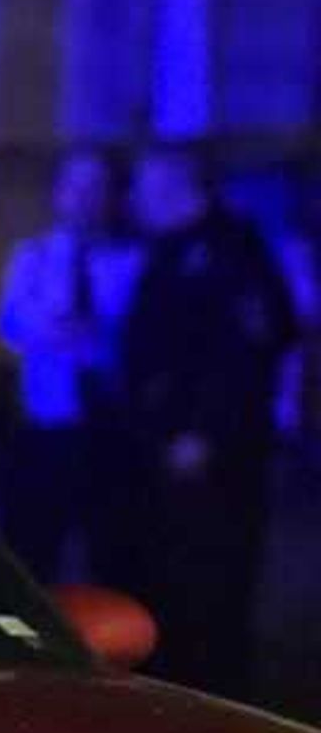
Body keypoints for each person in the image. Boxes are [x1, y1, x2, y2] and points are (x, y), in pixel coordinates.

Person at [107, 145, 298, 700]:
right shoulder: (166, 251)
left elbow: (249, 350)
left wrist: (206, 432)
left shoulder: (231, 250)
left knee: (212, 575)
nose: (135, 198)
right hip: (155, 445)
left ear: (175, 185)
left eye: (142, 185)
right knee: (164, 569)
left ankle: (216, 687)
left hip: (211, 454)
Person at [0, 145, 138, 581]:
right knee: (34, 549)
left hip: (110, 430)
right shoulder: (33, 257)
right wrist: (67, 331)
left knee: (110, 551)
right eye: (74, 185)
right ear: (58, 193)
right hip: (46, 423)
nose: (84, 197)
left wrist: (90, 336)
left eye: (96, 186)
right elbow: (13, 324)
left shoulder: (131, 261)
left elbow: (130, 340)